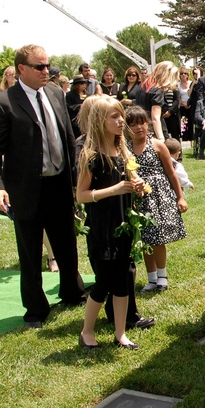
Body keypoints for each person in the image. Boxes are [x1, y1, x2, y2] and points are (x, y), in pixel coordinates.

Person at [0, 44, 86, 329]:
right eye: (40, 67)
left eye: (48, 65)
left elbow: (67, 136)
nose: (46, 71)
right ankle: (35, 308)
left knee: (67, 242)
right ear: (21, 70)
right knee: (30, 251)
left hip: (60, 181)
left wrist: (77, 173)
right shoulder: (3, 103)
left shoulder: (55, 92)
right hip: (26, 188)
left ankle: (72, 291)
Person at [76, 96, 153, 350]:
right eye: (114, 116)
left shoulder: (123, 151)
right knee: (104, 282)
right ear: (100, 121)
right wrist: (114, 189)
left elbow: (132, 182)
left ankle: (120, 333)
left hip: (124, 224)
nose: (122, 121)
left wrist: (138, 186)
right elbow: (82, 195)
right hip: (102, 227)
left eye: (121, 115)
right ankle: (87, 331)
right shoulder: (92, 156)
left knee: (124, 281)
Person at [125, 105, 188, 292]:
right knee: (144, 239)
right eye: (134, 124)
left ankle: (162, 276)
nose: (139, 128)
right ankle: (151, 278)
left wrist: (180, 197)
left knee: (158, 238)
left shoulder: (157, 145)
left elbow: (171, 173)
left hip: (159, 196)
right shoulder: (126, 148)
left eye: (142, 122)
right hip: (138, 198)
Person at [144, 61, 176, 142]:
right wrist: (161, 139)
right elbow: (155, 118)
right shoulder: (157, 91)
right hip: (153, 132)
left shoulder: (143, 87)